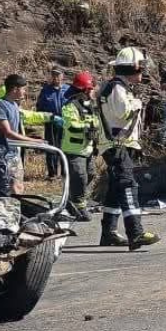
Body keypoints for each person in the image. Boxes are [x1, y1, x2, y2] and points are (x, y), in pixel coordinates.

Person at [98, 47, 161, 250]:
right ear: (131, 69)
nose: (142, 73)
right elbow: (122, 112)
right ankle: (136, 233)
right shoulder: (117, 87)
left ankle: (108, 232)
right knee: (127, 184)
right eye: (140, 69)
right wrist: (137, 103)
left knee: (115, 189)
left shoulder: (119, 87)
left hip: (120, 144)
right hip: (117, 145)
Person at [0, 74, 60, 195]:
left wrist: (50, 117)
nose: (25, 92)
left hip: (15, 154)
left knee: (19, 186)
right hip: (3, 155)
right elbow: (7, 132)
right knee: (8, 189)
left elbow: (30, 116)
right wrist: (32, 141)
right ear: (14, 89)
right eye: (23, 89)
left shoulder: (14, 106)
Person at [60, 71, 100, 222]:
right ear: (83, 89)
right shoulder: (70, 106)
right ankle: (78, 205)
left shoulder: (90, 105)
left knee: (90, 174)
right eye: (90, 89)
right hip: (73, 150)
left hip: (87, 149)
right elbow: (72, 125)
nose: (92, 92)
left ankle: (76, 199)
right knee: (79, 177)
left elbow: (96, 122)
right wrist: (90, 126)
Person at [36, 68, 69, 178]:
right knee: (51, 148)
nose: (56, 77)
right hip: (51, 123)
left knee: (65, 147)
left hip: (65, 123)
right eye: (54, 75)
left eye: (58, 75)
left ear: (62, 76)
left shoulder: (67, 90)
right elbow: (39, 107)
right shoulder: (46, 90)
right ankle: (52, 174)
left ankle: (65, 173)